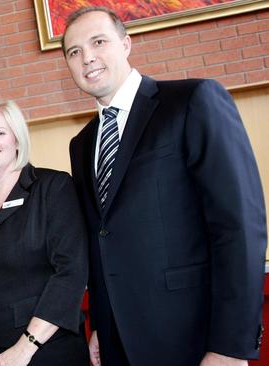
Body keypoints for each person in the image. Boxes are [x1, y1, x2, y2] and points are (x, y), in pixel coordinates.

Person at [63, 7, 267, 366]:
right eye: (73, 52)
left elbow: (239, 225)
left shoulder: (193, 101)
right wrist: (100, 323)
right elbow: (101, 239)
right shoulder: (82, 144)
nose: (87, 58)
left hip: (193, 338)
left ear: (126, 44)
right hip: (118, 343)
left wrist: (231, 346)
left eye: (98, 42)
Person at [0, 99, 89, 366]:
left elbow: (70, 272)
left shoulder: (53, 188)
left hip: (47, 349)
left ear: (17, 140)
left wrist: (24, 349)